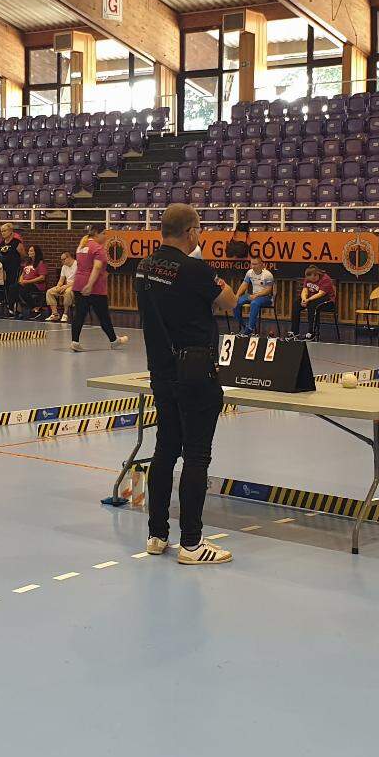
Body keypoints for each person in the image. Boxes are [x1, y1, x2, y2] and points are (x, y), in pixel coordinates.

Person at [135, 203, 238, 565]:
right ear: (192, 232)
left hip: (161, 370)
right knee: (196, 455)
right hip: (195, 372)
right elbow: (229, 301)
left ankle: (157, 534)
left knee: (165, 450)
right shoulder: (196, 269)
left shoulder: (144, 267)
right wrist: (210, 272)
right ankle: (192, 544)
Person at [68, 223, 120, 351]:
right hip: (95, 288)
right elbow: (96, 267)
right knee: (103, 316)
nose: (105, 236)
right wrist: (90, 285)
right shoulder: (97, 248)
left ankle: (75, 341)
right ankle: (114, 340)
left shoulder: (81, 246)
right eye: (103, 233)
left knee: (79, 314)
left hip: (78, 284)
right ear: (96, 233)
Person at [291, 265, 335, 340]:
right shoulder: (308, 277)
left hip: (327, 300)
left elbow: (321, 294)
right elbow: (304, 290)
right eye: (309, 279)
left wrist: (308, 300)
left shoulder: (325, 279)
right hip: (311, 298)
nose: (311, 281)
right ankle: (294, 332)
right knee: (296, 304)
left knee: (312, 305)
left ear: (316, 275)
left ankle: (311, 333)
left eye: (313, 279)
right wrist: (304, 299)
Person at [233, 257, 275, 335]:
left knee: (254, 303)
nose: (253, 266)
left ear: (261, 264)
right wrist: (237, 295)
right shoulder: (249, 273)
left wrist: (256, 295)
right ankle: (243, 326)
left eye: (255, 264)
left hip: (266, 297)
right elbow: (244, 285)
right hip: (254, 296)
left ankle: (250, 328)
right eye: (252, 264)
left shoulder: (267, 274)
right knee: (236, 302)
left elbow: (268, 290)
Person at [0, 223, 24, 316]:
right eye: (1, 231)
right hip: (4, 270)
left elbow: (23, 255)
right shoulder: (2, 243)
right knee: (6, 288)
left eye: (4, 231)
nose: (3, 233)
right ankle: (9, 306)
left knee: (12, 288)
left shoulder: (16, 242)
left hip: (14, 269)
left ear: (11, 231)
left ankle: (15, 308)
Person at [18, 244, 49, 319]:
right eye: (29, 251)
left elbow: (42, 277)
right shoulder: (27, 263)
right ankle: (14, 310)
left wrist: (28, 281)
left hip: (36, 285)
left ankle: (34, 308)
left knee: (22, 289)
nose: (29, 252)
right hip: (25, 283)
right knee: (13, 288)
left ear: (36, 252)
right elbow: (23, 273)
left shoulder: (41, 263)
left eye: (31, 251)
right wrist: (21, 280)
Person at [47, 251, 76, 322]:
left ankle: (65, 314)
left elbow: (78, 281)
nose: (62, 261)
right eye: (61, 260)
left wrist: (65, 287)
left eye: (64, 259)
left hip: (75, 286)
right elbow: (61, 280)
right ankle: (55, 314)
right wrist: (58, 286)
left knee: (68, 292)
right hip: (66, 285)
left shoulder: (77, 265)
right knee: (49, 292)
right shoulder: (64, 267)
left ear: (69, 257)